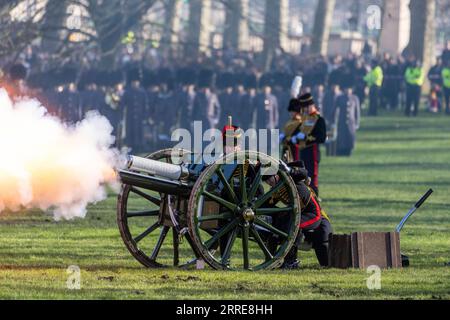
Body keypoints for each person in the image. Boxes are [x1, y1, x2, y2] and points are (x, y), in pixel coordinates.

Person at [267, 161, 333, 268]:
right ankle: (273, 259)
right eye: (266, 181)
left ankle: (291, 261)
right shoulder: (276, 190)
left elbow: (303, 172)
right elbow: (266, 204)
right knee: (283, 227)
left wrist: (288, 170)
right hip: (298, 214)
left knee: (296, 227)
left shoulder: (293, 180)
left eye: (269, 179)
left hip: (313, 214)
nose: (269, 183)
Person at [288, 93, 327, 195]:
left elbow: (321, 138)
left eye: (305, 108)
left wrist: (306, 138)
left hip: (312, 152)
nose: (304, 110)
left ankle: (315, 200)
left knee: (312, 179)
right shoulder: (306, 119)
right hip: (303, 152)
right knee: (304, 178)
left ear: (310, 105)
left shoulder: (319, 119)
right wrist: (294, 138)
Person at [334, 83, 361, 156]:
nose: (348, 91)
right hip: (342, 121)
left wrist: (357, 123)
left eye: (349, 89)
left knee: (350, 137)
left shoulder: (355, 98)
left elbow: (357, 112)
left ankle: (349, 151)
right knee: (342, 137)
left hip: (351, 122)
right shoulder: (339, 98)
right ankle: (341, 151)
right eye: (346, 89)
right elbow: (335, 110)